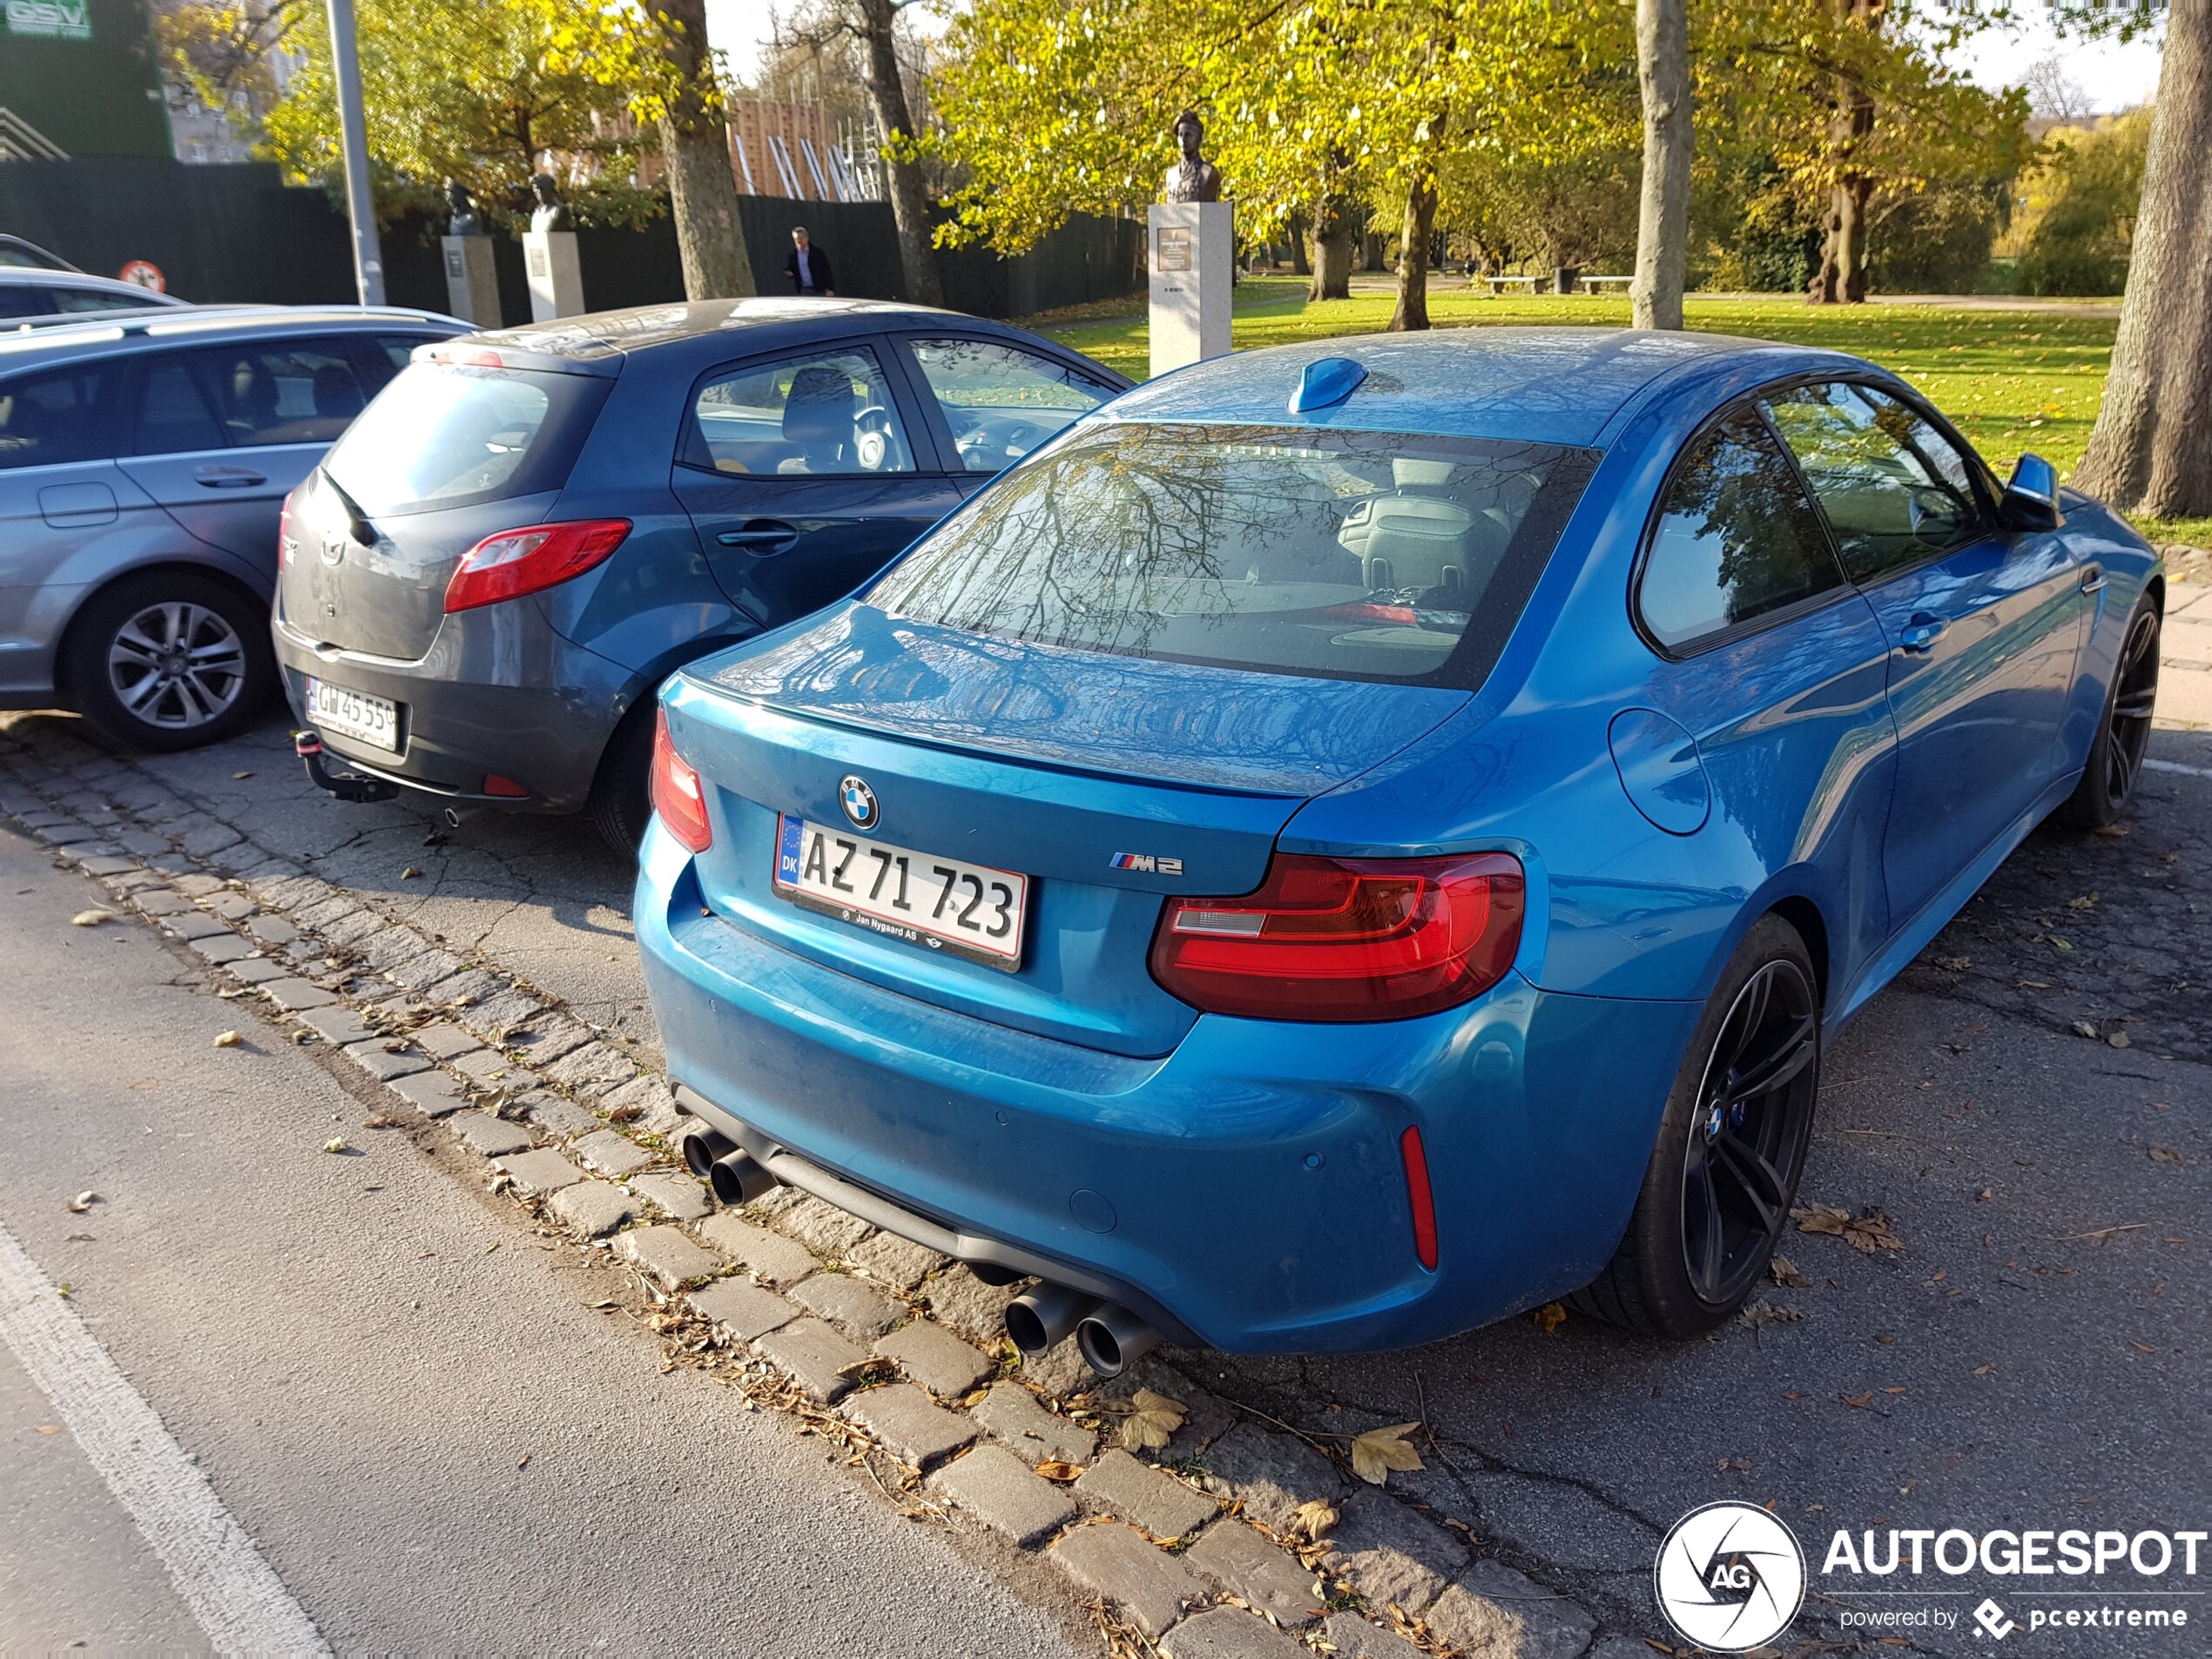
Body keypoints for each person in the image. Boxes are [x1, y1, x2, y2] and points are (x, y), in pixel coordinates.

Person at [784, 227, 835, 297]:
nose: (799, 241)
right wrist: (789, 273)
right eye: (796, 239)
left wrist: (831, 289)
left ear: (807, 238)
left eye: (801, 238)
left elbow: (827, 270)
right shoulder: (793, 255)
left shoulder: (817, 253)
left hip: (819, 289)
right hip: (804, 290)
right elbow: (791, 269)